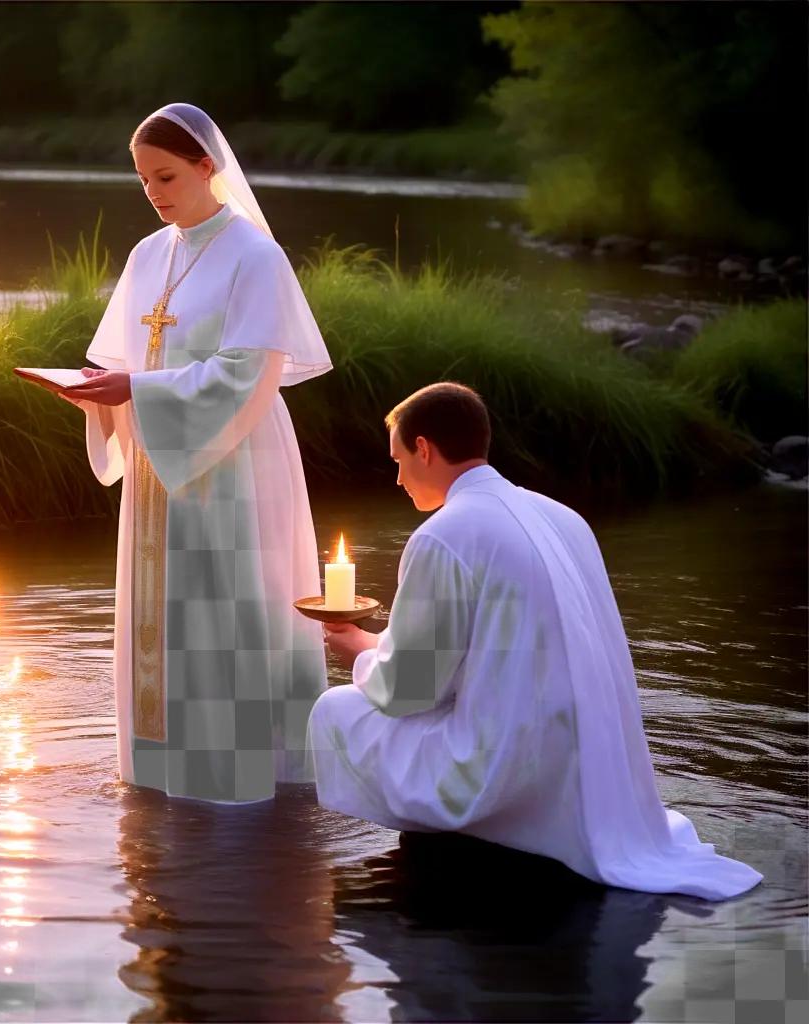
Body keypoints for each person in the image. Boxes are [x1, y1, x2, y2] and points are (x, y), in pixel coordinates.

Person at [307, 382, 763, 900]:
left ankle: (456, 837)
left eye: (399, 460)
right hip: (593, 754)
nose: (397, 477)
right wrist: (375, 645)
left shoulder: (443, 533)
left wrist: (357, 655)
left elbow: (410, 688)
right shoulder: (563, 516)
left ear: (425, 449)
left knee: (335, 710)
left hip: (510, 765)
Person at [57, 102, 331, 803]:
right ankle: (159, 770)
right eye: (143, 178)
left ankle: (241, 777)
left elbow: (251, 370)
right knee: (165, 615)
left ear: (209, 166)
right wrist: (100, 393)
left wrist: (136, 389)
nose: (153, 192)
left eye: (167, 175)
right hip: (157, 464)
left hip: (234, 461)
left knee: (228, 608)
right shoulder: (148, 255)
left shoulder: (255, 255)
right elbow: (122, 362)